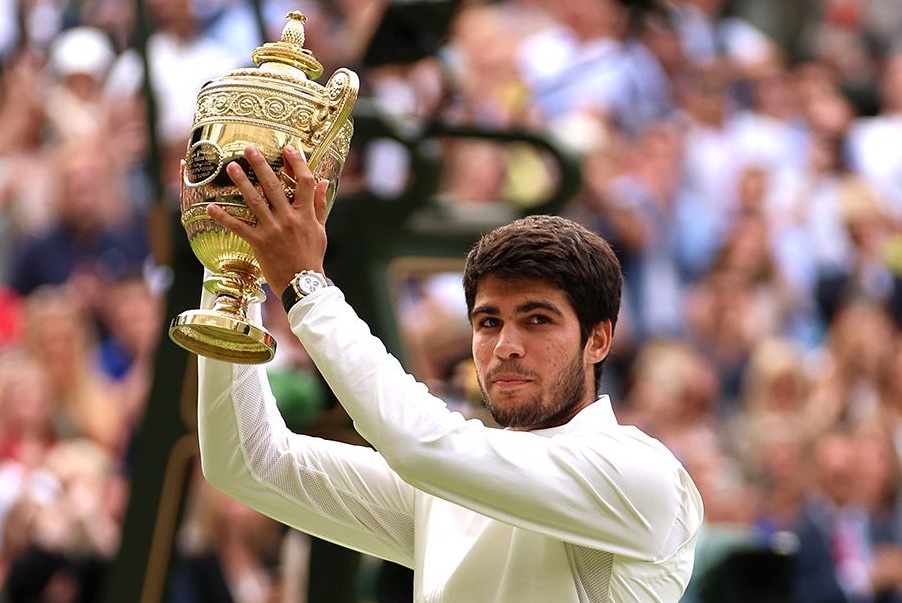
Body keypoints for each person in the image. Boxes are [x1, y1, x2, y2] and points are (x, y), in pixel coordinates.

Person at [195, 144, 704, 601]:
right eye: (489, 322)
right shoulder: (447, 484)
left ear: (598, 339)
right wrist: (231, 267)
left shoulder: (640, 474)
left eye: (537, 320)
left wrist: (305, 285)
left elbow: (420, 444)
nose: (505, 346)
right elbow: (248, 461)